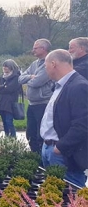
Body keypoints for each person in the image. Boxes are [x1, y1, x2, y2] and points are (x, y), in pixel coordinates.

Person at [40, 49, 88, 187]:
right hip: (50, 148)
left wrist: (60, 147)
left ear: (54, 64)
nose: (46, 69)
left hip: (63, 153)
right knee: (57, 198)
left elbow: (82, 124)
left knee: (72, 198)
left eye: (45, 66)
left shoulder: (79, 86)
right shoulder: (61, 85)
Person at [19, 39, 54, 153]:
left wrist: (30, 78)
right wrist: (31, 77)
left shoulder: (48, 63)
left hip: (42, 103)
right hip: (32, 104)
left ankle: (41, 157)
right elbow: (20, 78)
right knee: (30, 133)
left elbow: (37, 82)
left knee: (40, 134)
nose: (33, 50)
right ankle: (34, 156)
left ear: (43, 49)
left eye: (35, 48)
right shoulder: (35, 63)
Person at [0, 59, 22, 138]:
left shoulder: (16, 77)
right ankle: (7, 137)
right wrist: (3, 86)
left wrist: (1, 88)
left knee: (9, 121)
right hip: (2, 103)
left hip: (10, 103)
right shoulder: (2, 77)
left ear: (11, 67)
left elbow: (10, 89)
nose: (4, 68)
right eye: (4, 66)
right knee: (5, 122)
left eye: (6, 66)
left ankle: (12, 138)